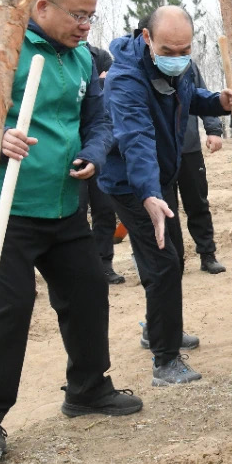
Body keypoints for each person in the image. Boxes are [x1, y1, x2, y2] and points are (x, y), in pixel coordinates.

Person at [0, 0, 142, 453]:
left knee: (88, 294)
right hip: (6, 209)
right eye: (77, 15)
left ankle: (87, 388)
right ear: (42, 7)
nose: (85, 26)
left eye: (90, 17)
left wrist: (94, 153)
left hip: (64, 206)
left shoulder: (82, 59)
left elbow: (98, 121)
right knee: (6, 311)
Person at [100, 5, 232, 386]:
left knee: (170, 258)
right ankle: (165, 359)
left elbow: (189, 97)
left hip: (160, 178)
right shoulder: (125, 79)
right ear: (147, 38)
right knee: (162, 263)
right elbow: (136, 138)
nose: (177, 58)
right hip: (132, 184)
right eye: (168, 51)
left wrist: (218, 103)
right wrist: (147, 192)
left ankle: (157, 328)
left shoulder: (179, 65)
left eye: (184, 50)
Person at [175, 61, 227, 275]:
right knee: (164, 208)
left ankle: (207, 254)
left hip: (189, 147)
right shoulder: (137, 66)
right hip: (156, 151)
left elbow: (203, 96)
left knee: (197, 202)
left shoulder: (186, 65)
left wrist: (213, 130)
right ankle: (174, 260)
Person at [81, 45, 124, 284]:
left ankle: (104, 264)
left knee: (104, 210)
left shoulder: (101, 56)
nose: (84, 28)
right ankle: (81, 268)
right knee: (76, 212)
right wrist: (98, 82)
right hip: (73, 149)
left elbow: (108, 90)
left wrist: (100, 83)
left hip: (100, 148)